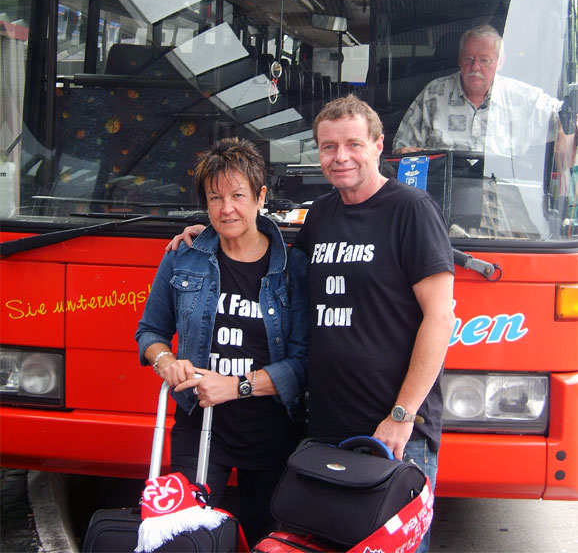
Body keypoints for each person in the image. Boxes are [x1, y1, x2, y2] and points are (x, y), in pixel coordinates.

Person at [169, 97, 455, 553]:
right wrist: (206, 234)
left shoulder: (412, 211)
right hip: (324, 425)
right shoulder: (321, 215)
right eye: (328, 147)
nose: (340, 156)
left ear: (379, 146)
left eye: (353, 144)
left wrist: (402, 416)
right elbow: (266, 258)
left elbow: (441, 320)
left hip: (393, 428)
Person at [136, 138, 308, 547]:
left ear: (260, 197)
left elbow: (304, 363)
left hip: (272, 433)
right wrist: (167, 363)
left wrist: (236, 387)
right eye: (215, 198)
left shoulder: (292, 269)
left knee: (265, 539)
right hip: (200, 426)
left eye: (237, 195)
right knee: (188, 539)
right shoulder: (184, 256)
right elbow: (150, 332)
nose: (226, 208)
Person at [392, 24, 576, 161]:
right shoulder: (434, 94)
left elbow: (568, 110)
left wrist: (565, 134)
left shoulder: (521, 97)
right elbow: (401, 147)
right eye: (469, 59)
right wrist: (406, 153)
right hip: (440, 194)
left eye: (484, 60)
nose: (475, 67)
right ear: (459, 60)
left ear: (500, 62)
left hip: (501, 196)